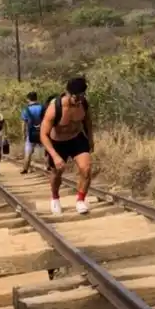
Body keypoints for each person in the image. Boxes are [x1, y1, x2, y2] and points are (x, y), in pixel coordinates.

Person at [39, 75, 93, 216]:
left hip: (76, 138)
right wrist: (55, 156)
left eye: (82, 96)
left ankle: (81, 200)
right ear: (69, 94)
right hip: (57, 143)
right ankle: (55, 198)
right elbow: (43, 135)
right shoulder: (54, 109)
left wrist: (91, 139)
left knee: (86, 169)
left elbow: (88, 121)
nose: (79, 100)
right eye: (77, 97)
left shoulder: (83, 104)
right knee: (57, 173)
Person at [20, 91, 45, 174]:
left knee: (28, 152)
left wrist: (23, 134)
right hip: (43, 132)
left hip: (31, 133)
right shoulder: (42, 107)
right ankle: (48, 166)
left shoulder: (26, 109)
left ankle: (25, 168)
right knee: (46, 150)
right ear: (36, 98)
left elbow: (24, 123)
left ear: (28, 99)